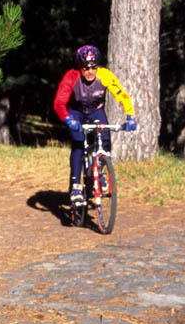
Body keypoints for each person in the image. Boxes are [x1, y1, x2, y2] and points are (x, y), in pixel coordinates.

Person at [52, 45, 137, 205]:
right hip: (76, 112)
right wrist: (68, 119)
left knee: (105, 139)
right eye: (86, 68)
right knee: (78, 143)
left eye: (93, 67)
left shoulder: (104, 75)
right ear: (80, 67)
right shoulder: (71, 76)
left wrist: (130, 115)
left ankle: (101, 169)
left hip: (96, 111)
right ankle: (76, 185)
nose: (90, 72)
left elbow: (122, 95)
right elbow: (59, 103)